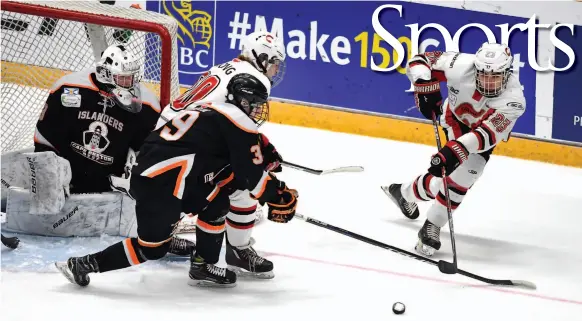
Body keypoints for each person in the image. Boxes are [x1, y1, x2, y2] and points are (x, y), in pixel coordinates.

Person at [55, 73, 299, 288]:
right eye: (255, 105)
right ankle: (84, 264)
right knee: (151, 249)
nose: (258, 110)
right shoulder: (236, 119)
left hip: (171, 176)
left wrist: (262, 150)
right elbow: (251, 177)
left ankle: (203, 266)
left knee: (218, 199)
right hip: (159, 185)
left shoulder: (212, 110)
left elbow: (226, 153)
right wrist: (280, 195)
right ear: (242, 101)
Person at [1, 44, 192, 255]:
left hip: (109, 184)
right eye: (123, 78)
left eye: (131, 77)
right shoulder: (68, 88)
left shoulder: (145, 103)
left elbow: (147, 152)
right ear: (105, 73)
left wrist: (135, 182)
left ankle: (156, 236)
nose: (130, 83)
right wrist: (49, 180)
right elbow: (44, 137)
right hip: (65, 180)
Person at [382, 42, 526, 256]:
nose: (487, 81)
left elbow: (485, 135)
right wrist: (424, 84)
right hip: (455, 120)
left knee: (456, 175)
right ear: (475, 68)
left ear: (507, 73)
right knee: (466, 173)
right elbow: (418, 60)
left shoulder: (514, 100)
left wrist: (456, 150)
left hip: (481, 134)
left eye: (494, 76)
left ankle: (404, 192)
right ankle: (432, 226)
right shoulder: (459, 65)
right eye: (483, 74)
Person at [163, 31, 287, 278]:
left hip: (165, 136)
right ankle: (237, 250)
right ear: (261, 58)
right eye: (273, 64)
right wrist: (258, 158)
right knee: (244, 187)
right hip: (187, 148)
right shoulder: (253, 79)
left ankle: (161, 235)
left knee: (185, 190)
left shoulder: (225, 66)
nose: (275, 71)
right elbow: (240, 130)